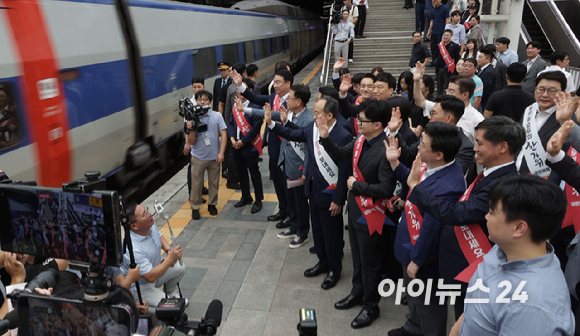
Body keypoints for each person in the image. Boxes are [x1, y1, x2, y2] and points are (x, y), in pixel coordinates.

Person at [407, 116, 525, 320]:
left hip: (472, 266)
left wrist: (416, 188)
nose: (474, 148)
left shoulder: (503, 184)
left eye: (480, 143)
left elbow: (456, 213)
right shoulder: (491, 174)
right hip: (460, 264)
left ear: (502, 147)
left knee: (467, 319)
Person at [450, 175, 575, 336]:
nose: (486, 217)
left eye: (491, 212)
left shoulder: (532, 309)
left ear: (519, 228)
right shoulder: (504, 248)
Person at [318, 99, 396, 329]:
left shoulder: (385, 149)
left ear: (379, 125)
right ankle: (357, 293)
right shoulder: (361, 140)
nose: (358, 123)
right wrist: (325, 138)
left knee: (371, 263)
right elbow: (342, 154)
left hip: (371, 214)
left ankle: (371, 306)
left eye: (363, 120)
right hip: (355, 211)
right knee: (357, 258)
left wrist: (356, 186)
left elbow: (386, 189)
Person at [386, 122, 466, 336]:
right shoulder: (431, 165)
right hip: (409, 244)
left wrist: (417, 260)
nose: (418, 147)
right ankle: (412, 329)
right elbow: (412, 180)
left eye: (423, 144)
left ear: (439, 154)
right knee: (414, 299)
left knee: (428, 307)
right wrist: (395, 163)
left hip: (424, 258)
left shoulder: (449, 186)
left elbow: (431, 228)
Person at [266, 96, 351, 289]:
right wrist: (271, 123)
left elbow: (345, 171)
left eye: (317, 113)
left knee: (332, 235)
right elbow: (292, 134)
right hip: (313, 191)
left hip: (330, 196)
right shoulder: (312, 129)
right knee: (318, 232)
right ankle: (322, 262)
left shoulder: (342, 135)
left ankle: (334, 270)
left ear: (329, 115)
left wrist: (339, 199)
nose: (313, 116)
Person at [233, 68, 292, 227]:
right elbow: (254, 97)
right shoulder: (273, 97)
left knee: (287, 184)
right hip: (274, 147)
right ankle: (282, 210)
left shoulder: (293, 99)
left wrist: (245, 109)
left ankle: (290, 215)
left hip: (287, 148)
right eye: (275, 82)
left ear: (288, 83)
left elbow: (276, 117)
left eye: (278, 82)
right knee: (278, 183)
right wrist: (240, 85)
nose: (275, 85)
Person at [121, 203, 187, 311]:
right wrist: (169, 259)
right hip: (142, 286)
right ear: (134, 226)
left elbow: (159, 236)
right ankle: (140, 302)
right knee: (168, 308)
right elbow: (150, 277)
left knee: (180, 267)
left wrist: (168, 250)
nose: (149, 214)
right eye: (144, 214)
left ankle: (171, 294)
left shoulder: (149, 224)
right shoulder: (133, 248)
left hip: (155, 272)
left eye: (146, 210)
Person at [516, 70, 568, 181]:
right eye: (541, 89)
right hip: (515, 175)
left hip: (542, 184)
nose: (545, 95)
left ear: (563, 92)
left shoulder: (566, 120)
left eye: (552, 91)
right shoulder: (529, 110)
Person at [415, 62, 483, 145]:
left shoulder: (477, 120)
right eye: (448, 90)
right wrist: (416, 81)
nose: (448, 94)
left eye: (452, 91)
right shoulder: (440, 107)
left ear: (465, 94)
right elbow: (420, 102)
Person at [188, 90, 227, 220]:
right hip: (198, 157)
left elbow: (224, 134)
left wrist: (221, 153)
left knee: (214, 183)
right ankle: (195, 207)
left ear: (210, 101)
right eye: (199, 99)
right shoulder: (192, 117)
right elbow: (191, 141)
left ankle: (212, 204)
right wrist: (191, 129)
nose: (202, 102)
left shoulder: (217, 116)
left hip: (214, 157)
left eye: (205, 99)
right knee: (196, 185)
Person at [229, 78, 264, 214]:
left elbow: (255, 128)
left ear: (249, 91)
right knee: (241, 173)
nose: (239, 92)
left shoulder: (256, 107)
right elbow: (231, 122)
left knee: (254, 173)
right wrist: (232, 139)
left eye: (242, 89)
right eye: (238, 89)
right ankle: (246, 196)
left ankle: (258, 200)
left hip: (250, 146)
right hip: (236, 144)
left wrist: (243, 142)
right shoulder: (235, 105)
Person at [222, 63, 248, 187]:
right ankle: (232, 179)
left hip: (232, 125)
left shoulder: (231, 87)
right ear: (242, 74)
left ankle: (235, 176)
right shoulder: (235, 90)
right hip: (235, 127)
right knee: (233, 154)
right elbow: (234, 112)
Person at [434, 29, 460, 95]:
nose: (445, 37)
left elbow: (457, 58)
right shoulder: (439, 46)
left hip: (449, 69)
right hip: (440, 68)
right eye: (444, 35)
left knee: (448, 86)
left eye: (447, 35)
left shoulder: (455, 46)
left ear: (451, 36)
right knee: (439, 86)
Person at [427, 0, 450, 69]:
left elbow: (447, 19)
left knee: (439, 47)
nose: (434, 2)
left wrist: (446, 31)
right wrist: (429, 30)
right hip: (434, 31)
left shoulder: (445, 8)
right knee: (433, 46)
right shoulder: (433, 9)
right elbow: (432, 20)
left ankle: (439, 61)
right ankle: (434, 60)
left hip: (441, 31)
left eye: (436, 0)